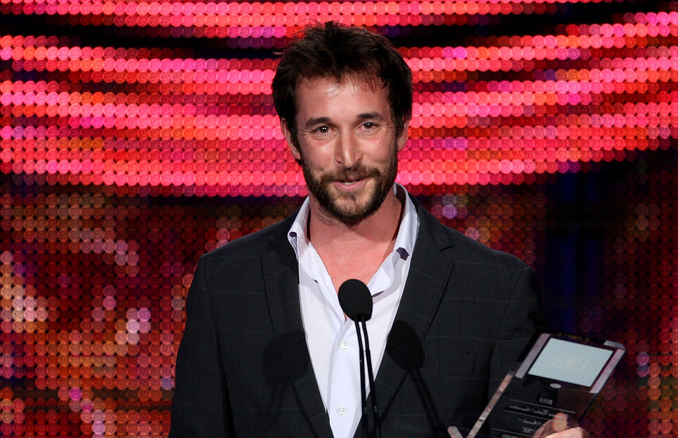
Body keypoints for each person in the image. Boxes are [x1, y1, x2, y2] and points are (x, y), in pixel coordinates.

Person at [169, 22, 588, 438]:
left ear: (402, 126)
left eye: (367, 125)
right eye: (323, 129)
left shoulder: (496, 289)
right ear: (292, 139)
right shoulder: (224, 284)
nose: (348, 156)